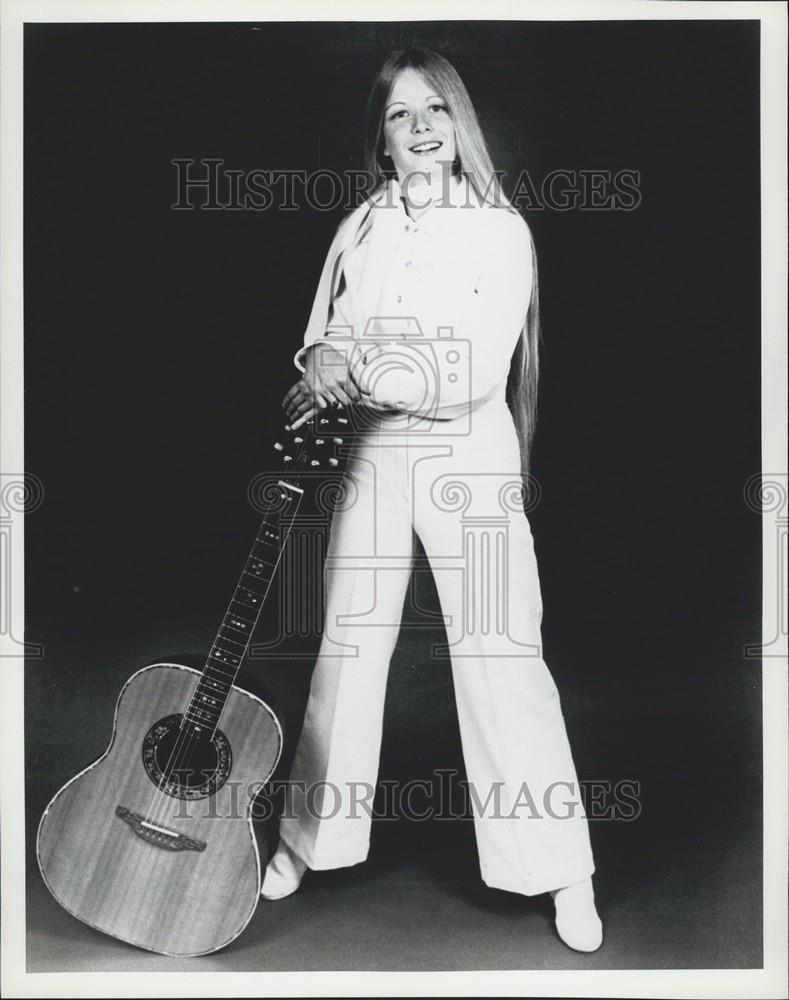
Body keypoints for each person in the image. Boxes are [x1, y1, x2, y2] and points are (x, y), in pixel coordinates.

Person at [262, 48, 603, 954]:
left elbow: (468, 368)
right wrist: (322, 363)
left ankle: (560, 868)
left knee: (498, 649)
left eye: (434, 111)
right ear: (381, 137)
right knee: (346, 643)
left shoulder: (499, 230)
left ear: (459, 126)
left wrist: (352, 370)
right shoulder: (361, 225)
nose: (418, 128)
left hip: (466, 450)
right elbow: (322, 334)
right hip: (373, 452)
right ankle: (308, 837)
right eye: (399, 114)